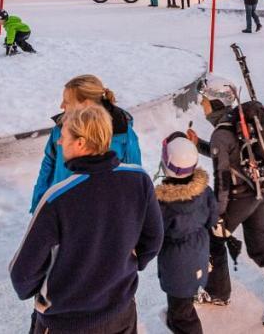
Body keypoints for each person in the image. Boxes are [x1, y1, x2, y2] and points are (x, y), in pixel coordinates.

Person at [10, 104, 163, 334]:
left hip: (67, 323)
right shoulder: (139, 180)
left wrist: (46, 293)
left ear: (80, 143)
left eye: (63, 137)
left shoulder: (58, 198)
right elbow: (153, 240)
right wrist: (125, 265)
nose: (59, 143)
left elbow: (22, 273)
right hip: (121, 315)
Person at [188, 77, 264, 324]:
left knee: (213, 236)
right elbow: (232, 157)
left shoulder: (222, 133)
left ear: (217, 103)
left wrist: (218, 215)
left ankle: (218, 292)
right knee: (258, 243)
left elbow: (223, 180)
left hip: (242, 195)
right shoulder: (238, 122)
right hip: (260, 188)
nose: (202, 107)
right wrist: (199, 145)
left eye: (205, 102)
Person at [30, 75, 144, 212]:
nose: (61, 106)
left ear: (86, 103)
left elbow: (133, 178)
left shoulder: (122, 133)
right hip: (61, 205)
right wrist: (39, 203)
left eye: (67, 101)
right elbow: (48, 165)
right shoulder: (61, 128)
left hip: (101, 213)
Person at [154, 134, 218, 334]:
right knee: (182, 303)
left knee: (183, 314)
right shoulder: (205, 191)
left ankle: (180, 325)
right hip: (198, 255)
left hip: (176, 266)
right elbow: (212, 220)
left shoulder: (162, 204)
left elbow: (155, 235)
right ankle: (175, 321)